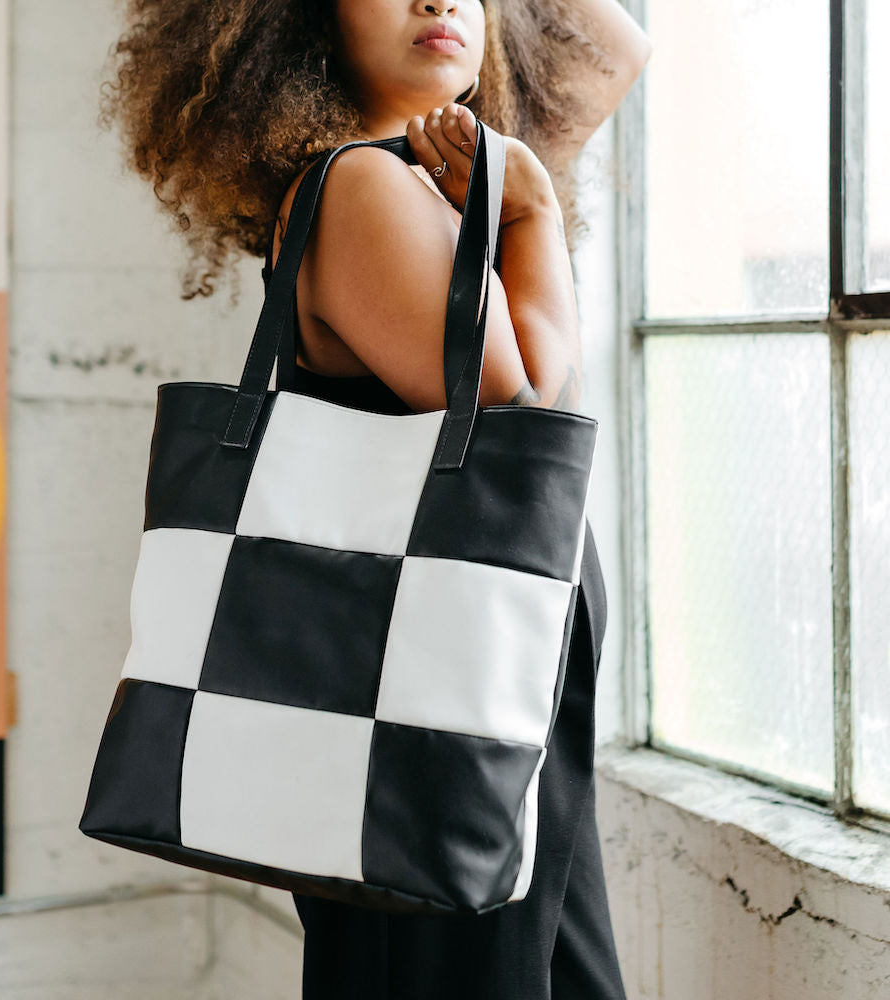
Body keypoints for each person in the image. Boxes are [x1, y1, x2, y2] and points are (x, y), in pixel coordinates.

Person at [100, 1, 651, 996]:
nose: (440, 1)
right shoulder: (362, 185)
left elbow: (613, 46)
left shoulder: (435, 184)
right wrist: (531, 215)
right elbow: (520, 410)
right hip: (425, 733)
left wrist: (505, 190)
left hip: (468, 713)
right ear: (304, 20)